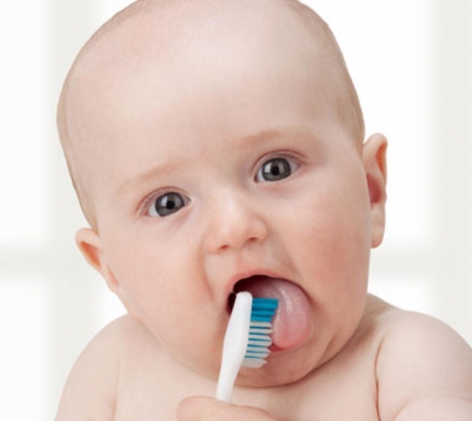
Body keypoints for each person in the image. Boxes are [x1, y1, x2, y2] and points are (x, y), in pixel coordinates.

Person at [54, 0, 472, 419]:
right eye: (169, 204)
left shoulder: (409, 360)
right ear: (113, 270)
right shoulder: (112, 370)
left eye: (276, 169)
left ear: (370, 192)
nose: (234, 227)